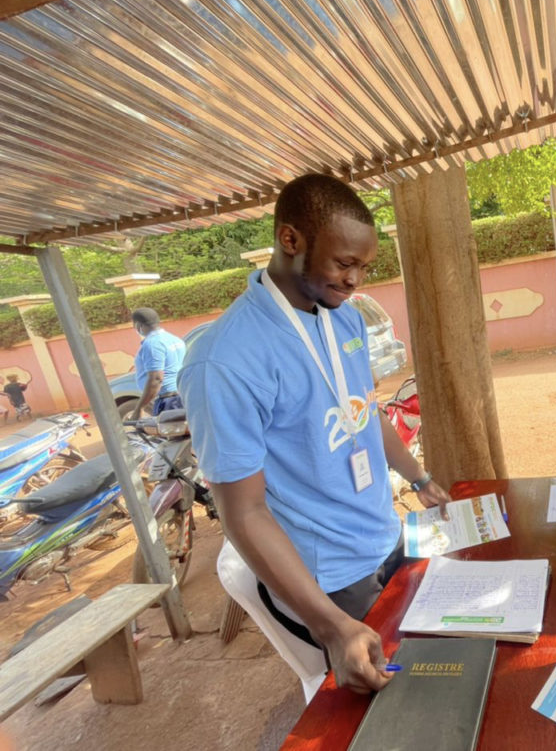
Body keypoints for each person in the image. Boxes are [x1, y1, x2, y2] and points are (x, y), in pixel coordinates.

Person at [180, 173, 451, 696]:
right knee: (399, 701)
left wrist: (418, 477)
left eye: (364, 267)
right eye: (344, 263)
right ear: (290, 240)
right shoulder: (225, 361)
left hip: (385, 535)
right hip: (330, 579)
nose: (354, 280)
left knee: (436, 668)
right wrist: (329, 626)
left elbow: (363, 415)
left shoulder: (342, 320)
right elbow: (244, 513)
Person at [129, 308, 187, 419]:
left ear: (138, 325)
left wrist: (139, 408)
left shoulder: (152, 344)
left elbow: (156, 379)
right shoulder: (174, 339)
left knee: (170, 435)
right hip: (181, 395)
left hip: (168, 402)